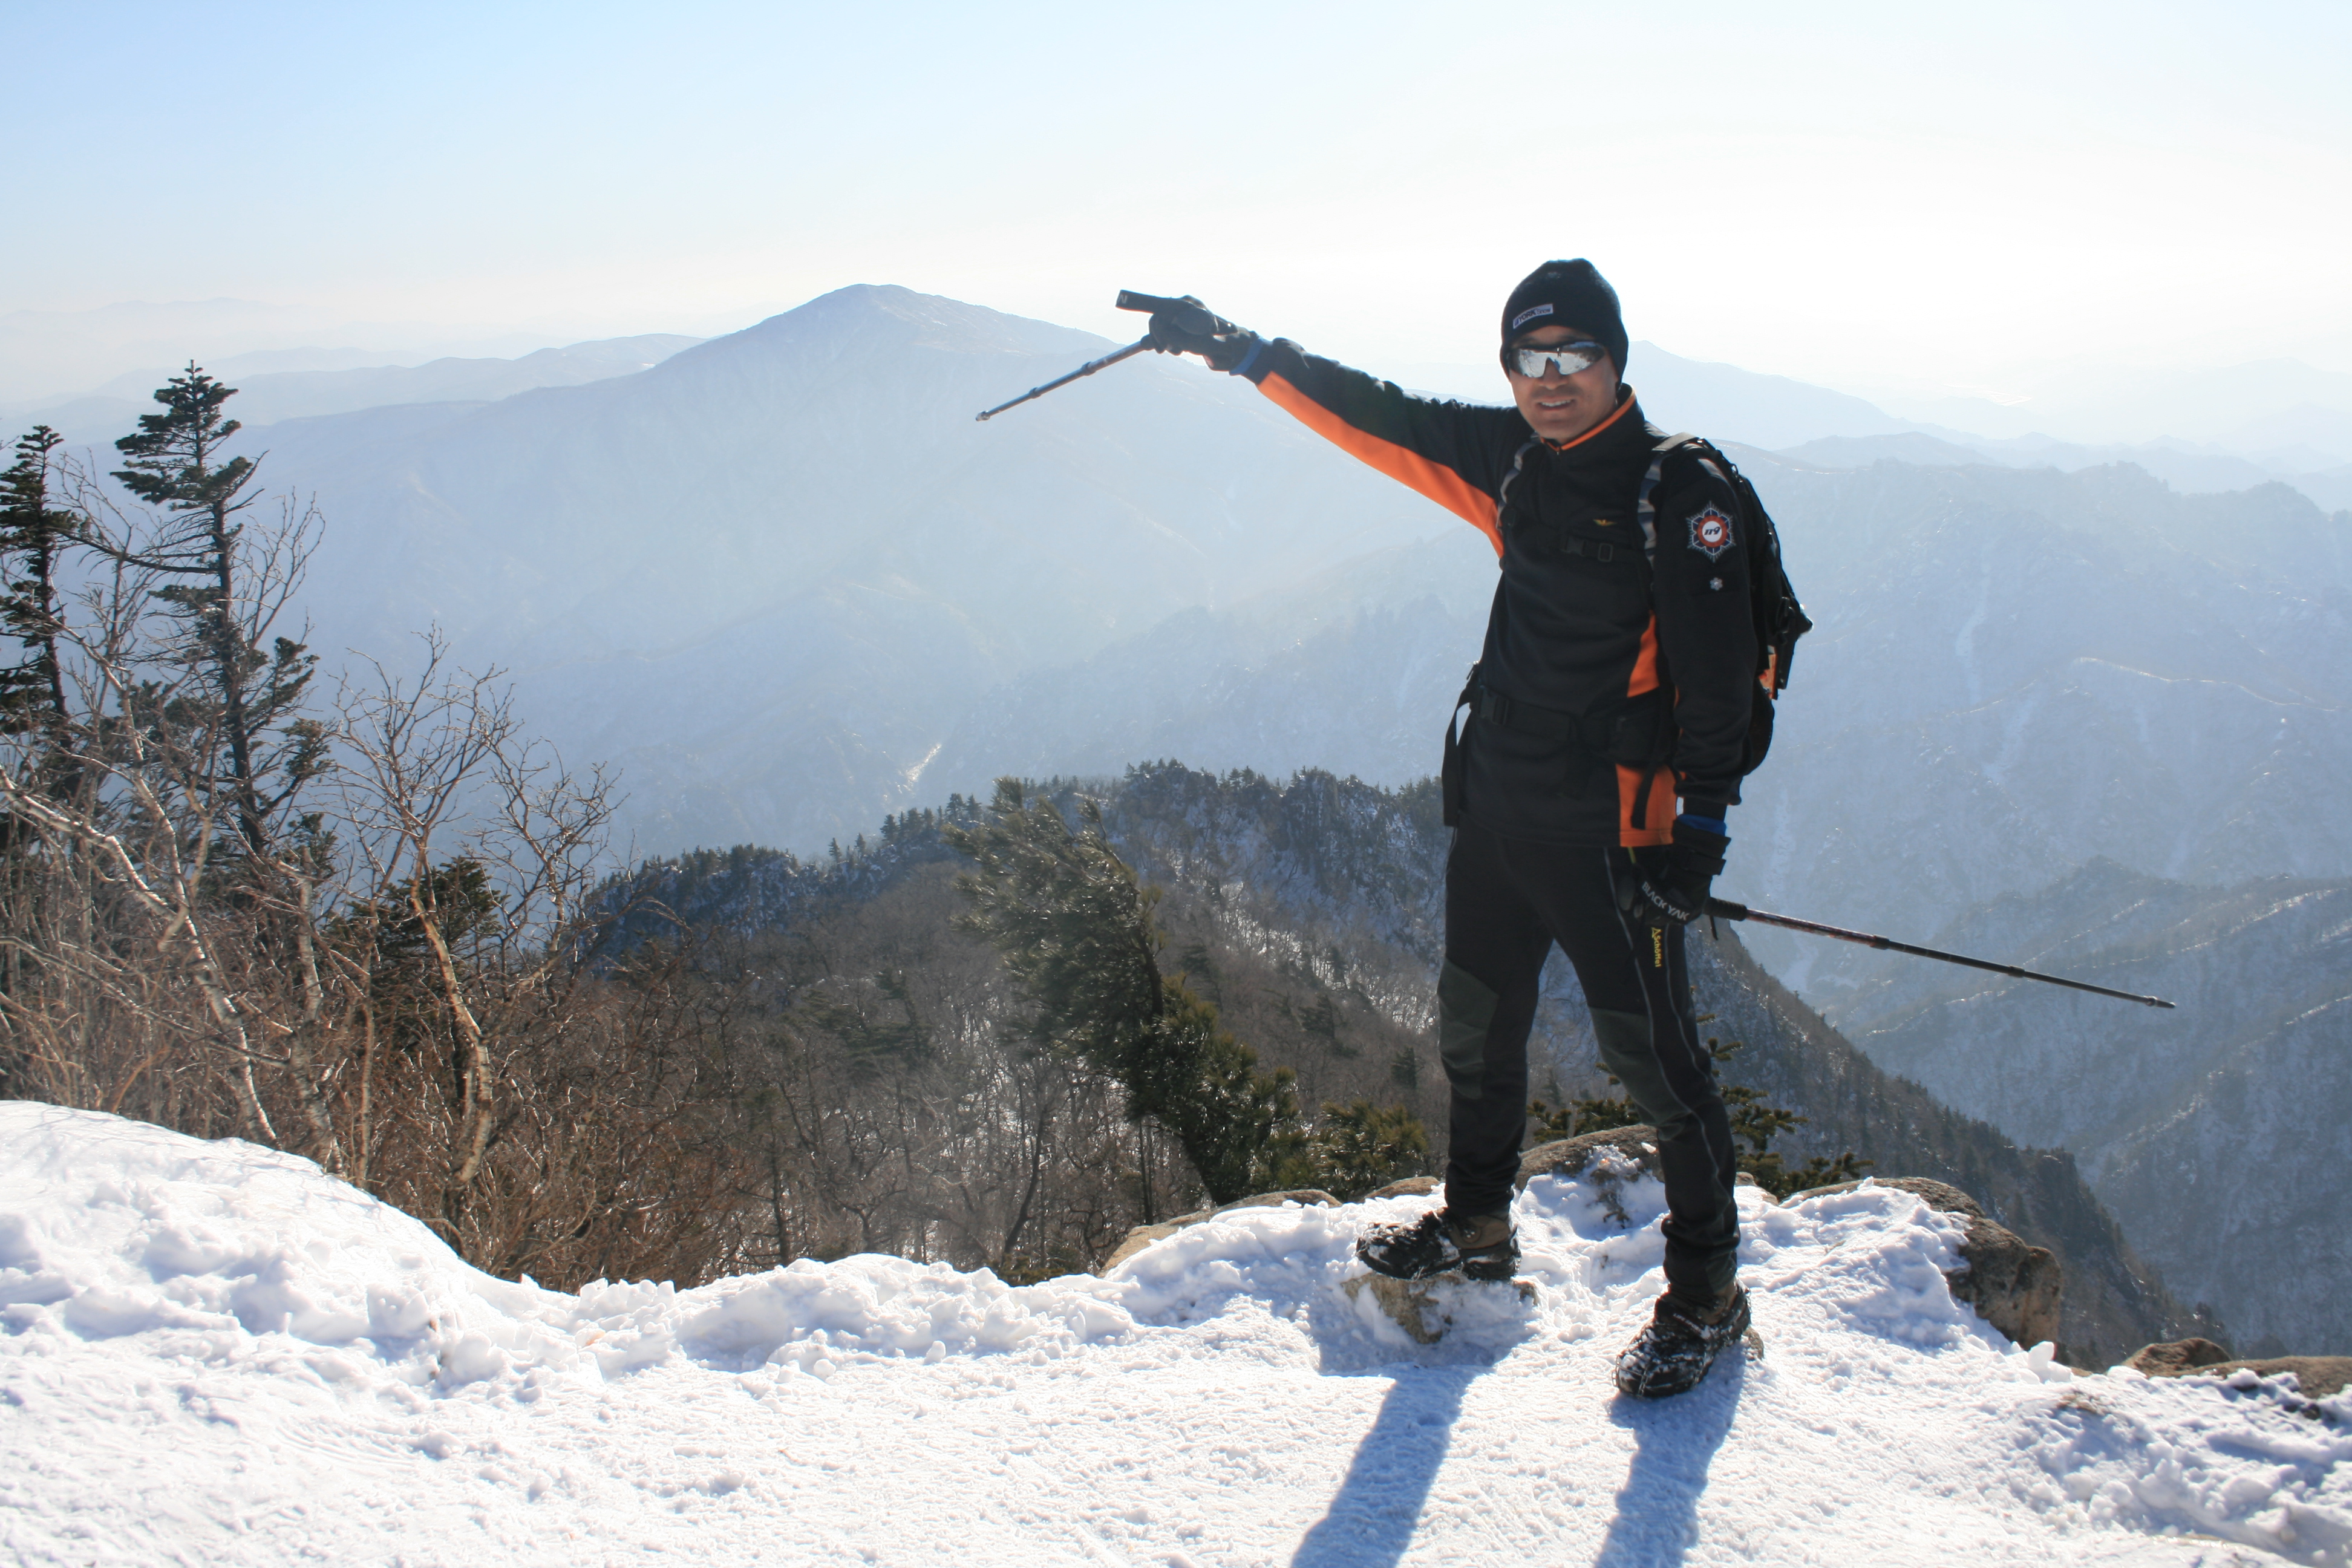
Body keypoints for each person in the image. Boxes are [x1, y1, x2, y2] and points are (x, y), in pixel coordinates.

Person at [1145, 261, 1757, 1398]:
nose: (1552, 378)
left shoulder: (1677, 492)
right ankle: (1476, 1226)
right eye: (1530, 357)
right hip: (1499, 815)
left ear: (1617, 360)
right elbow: (1377, 415)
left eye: (1575, 354)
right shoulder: (1514, 462)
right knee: (1476, 1034)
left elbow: (1723, 679)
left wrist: (1701, 833)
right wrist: (1237, 347)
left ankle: (1709, 1295)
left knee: (1660, 1068)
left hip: (1614, 836)